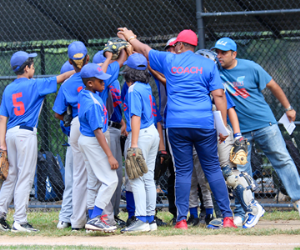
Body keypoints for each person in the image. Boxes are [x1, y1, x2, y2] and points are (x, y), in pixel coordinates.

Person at [118, 28, 236, 229]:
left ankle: (181, 220)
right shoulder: (208, 64)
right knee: (213, 169)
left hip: (177, 124)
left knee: (182, 172)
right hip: (203, 124)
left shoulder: (170, 60)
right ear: (194, 46)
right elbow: (219, 95)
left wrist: (130, 37)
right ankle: (227, 217)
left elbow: (145, 50)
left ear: (180, 45)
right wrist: (223, 127)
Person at [212, 37, 300, 221]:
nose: (219, 56)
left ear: (234, 54)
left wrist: (288, 108)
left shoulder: (250, 67)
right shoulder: (215, 71)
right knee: (241, 170)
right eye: (217, 52)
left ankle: (298, 199)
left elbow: (273, 86)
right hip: (239, 132)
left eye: (224, 53)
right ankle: (245, 210)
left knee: (282, 160)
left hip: (265, 124)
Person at [0, 51, 74, 232]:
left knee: (11, 177)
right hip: (26, 135)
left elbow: (3, 117)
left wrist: (1, 144)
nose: (33, 67)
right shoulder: (36, 85)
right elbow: (62, 77)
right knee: (25, 177)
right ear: (26, 68)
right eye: (31, 65)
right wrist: (79, 68)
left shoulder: (8, 88)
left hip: (10, 134)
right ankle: (20, 221)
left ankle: (1, 217)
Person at [120, 53, 160, 233]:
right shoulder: (146, 86)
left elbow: (135, 116)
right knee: (148, 177)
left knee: (135, 178)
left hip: (141, 135)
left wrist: (133, 143)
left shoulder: (133, 89)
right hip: (152, 132)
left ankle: (141, 219)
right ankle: (150, 220)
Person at [77, 62, 119, 233]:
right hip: (93, 141)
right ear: (90, 83)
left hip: (86, 140)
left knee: (94, 181)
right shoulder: (94, 103)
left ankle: (91, 221)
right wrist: (110, 155)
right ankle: (95, 218)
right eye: (100, 81)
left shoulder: (85, 94)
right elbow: (98, 132)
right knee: (111, 181)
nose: (104, 83)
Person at [93, 51, 126, 227]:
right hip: (105, 131)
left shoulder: (110, 82)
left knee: (116, 176)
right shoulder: (100, 83)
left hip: (114, 128)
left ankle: (111, 214)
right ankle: (105, 216)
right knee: (110, 175)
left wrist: (123, 122)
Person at [57, 60, 75, 229]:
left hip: (77, 140)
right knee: (73, 180)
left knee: (72, 180)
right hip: (84, 139)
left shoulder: (68, 88)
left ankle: (67, 217)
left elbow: (59, 117)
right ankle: (68, 216)